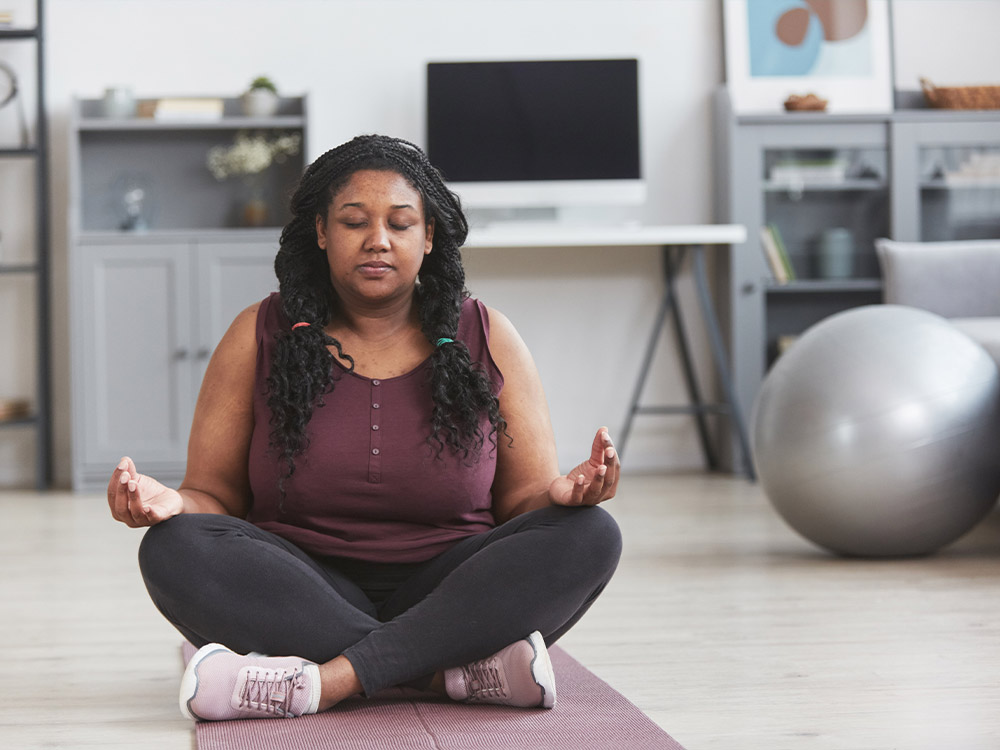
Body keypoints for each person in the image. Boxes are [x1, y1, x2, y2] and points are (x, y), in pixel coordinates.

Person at [107, 134, 622, 722]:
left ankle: (328, 680)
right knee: (174, 546)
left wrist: (562, 496)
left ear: (428, 237)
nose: (378, 240)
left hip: (450, 586)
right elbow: (217, 498)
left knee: (591, 535)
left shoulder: (488, 334)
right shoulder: (258, 333)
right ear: (322, 232)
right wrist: (168, 502)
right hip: (301, 587)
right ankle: (439, 673)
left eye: (401, 224)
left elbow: (523, 504)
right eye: (354, 222)